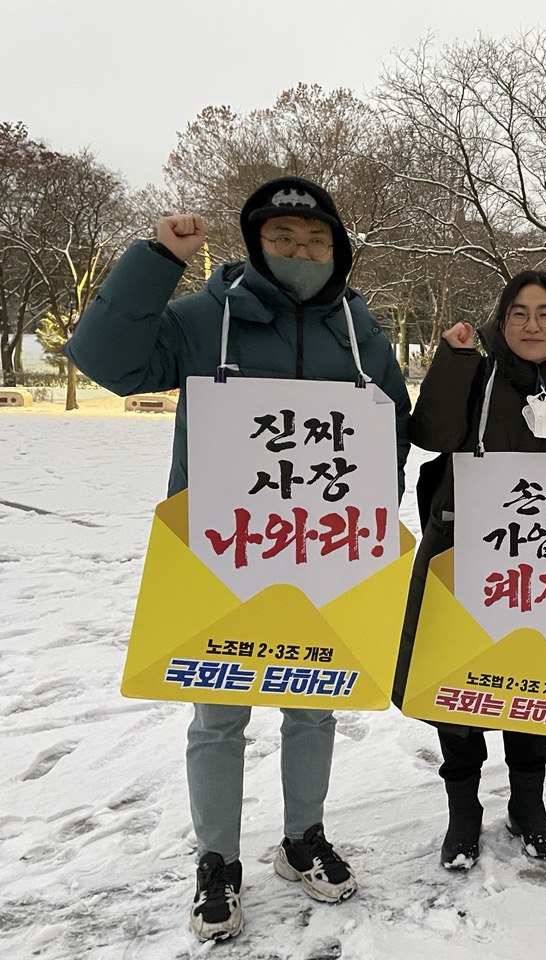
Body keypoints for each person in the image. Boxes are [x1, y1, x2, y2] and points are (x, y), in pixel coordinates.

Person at [65, 176, 410, 941]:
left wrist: (373, 522)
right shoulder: (204, 317)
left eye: (316, 240)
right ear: (255, 242)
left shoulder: (358, 331)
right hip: (222, 555)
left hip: (324, 553)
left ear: (338, 250)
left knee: (312, 704)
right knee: (218, 714)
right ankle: (216, 861)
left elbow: (389, 425)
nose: (300, 252)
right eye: (282, 238)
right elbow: (108, 362)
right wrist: (158, 258)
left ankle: (303, 838)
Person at [394, 270, 546, 870]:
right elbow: (431, 432)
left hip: (544, 567)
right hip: (464, 555)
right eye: (519, 313)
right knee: (459, 688)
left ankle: (528, 805)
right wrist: (453, 360)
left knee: (531, 679)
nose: (532, 324)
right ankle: (464, 814)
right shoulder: (477, 375)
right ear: (501, 321)